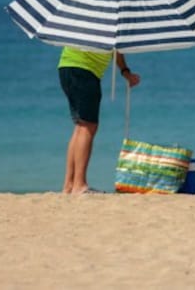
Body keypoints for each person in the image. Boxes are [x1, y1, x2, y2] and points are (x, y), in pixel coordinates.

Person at [57, 46, 140, 194]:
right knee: (88, 126)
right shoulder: (111, 24)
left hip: (66, 66)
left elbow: (116, 49)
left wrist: (125, 71)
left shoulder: (83, 21)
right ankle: (79, 185)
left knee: (80, 126)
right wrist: (126, 72)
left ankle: (69, 184)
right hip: (85, 70)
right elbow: (117, 47)